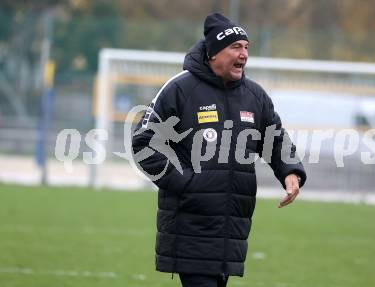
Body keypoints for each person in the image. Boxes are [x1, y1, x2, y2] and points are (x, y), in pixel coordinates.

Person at [132, 12, 307, 287]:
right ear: (213, 53)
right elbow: (144, 143)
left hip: (232, 227)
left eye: (247, 47)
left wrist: (290, 171)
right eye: (236, 47)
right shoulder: (181, 89)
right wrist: (186, 182)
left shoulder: (255, 95)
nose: (244, 54)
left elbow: (274, 138)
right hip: (191, 225)